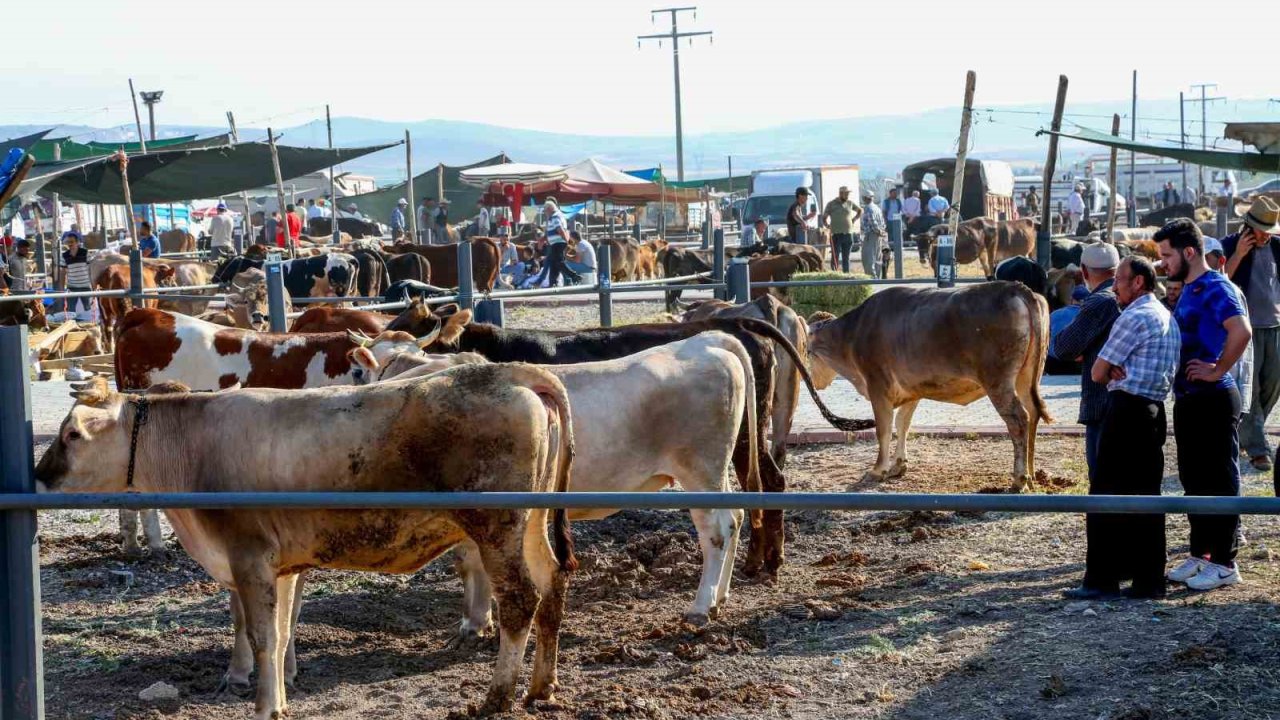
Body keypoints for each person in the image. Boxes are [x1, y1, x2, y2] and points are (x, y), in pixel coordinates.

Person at [1065, 255, 1181, 600]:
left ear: (1138, 282)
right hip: (1153, 411)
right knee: (1147, 496)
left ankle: (1102, 578)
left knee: (1105, 494)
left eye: (1120, 280)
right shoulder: (1165, 316)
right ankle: (1148, 580)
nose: (1114, 287)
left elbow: (1099, 373)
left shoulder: (1133, 318)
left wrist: (1109, 366)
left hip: (1125, 410)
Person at [1156, 218, 1252, 591]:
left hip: (1213, 396)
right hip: (1189, 399)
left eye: (1167, 255)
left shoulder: (1215, 287)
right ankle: (1202, 554)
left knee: (1219, 478)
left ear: (1189, 252)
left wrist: (1217, 369)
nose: (1163, 263)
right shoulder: (1191, 288)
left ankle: (1226, 562)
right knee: (1194, 478)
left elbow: (1241, 331)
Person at [1053, 243, 1122, 483]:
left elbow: (1063, 348)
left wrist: (1084, 346)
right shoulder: (1132, 296)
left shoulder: (1098, 302)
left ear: (1084, 270)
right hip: (1131, 400)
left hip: (1102, 402)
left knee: (1102, 478)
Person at [1221, 197, 1280, 473]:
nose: (1265, 234)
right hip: (1245, 326)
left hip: (1275, 325)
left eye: (1269, 228)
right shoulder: (1231, 245)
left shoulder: (1278, 247)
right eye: (1261, 228)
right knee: (1252, 387)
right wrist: (1239, 255)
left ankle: (1248, 431)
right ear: (1248, 226)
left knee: (1272, 383)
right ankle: (1258, 449)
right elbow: (1221, 281)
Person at [822, 186, 862, 273]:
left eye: (848, 193)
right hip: (836, 234)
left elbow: (860, 210)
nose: (847, 195)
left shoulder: (850, 203)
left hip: (848, 233)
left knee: (846, 257)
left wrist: (854, 219)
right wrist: (827, 225)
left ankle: (846, 274)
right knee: (835, 255)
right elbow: (824, 217)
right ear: (840, 193)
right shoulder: (831, 204)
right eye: (846, 193)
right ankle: (835, 274)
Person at [542, 198, 577, 286]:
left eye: (545, 211)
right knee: (554, 264)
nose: (545, 213)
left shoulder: (555, 217)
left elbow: (560, 229)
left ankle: (574, 276)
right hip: (556, 243)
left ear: (549, 209)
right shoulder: (556, 216)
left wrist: (566, 240)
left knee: (559, 262)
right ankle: (553, 283)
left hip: (558, 243)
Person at [61, 232, 95, 322]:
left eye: (72, 241)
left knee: (88, 308)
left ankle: (90, 325)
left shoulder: (85, 253)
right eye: (68, 242)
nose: (70, 244)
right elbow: (63, 272)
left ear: (77, 242)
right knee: (70, 310)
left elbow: (91, 269)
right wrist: (62, 288)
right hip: (72, 287)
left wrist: (93, 286)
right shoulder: (64, 255)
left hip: (85, 286)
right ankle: (70, 326)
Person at [859, 192, 886, 277]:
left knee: (868, 257)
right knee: (877, 256)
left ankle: (871, 277)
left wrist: (878, 231)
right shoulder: (877, 208)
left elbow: (872, 222)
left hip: (871, 234)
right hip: (878, 235)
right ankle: (878, 276)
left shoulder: (868, 208)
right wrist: (881, 231)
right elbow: (882, 222)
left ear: (865, 198)